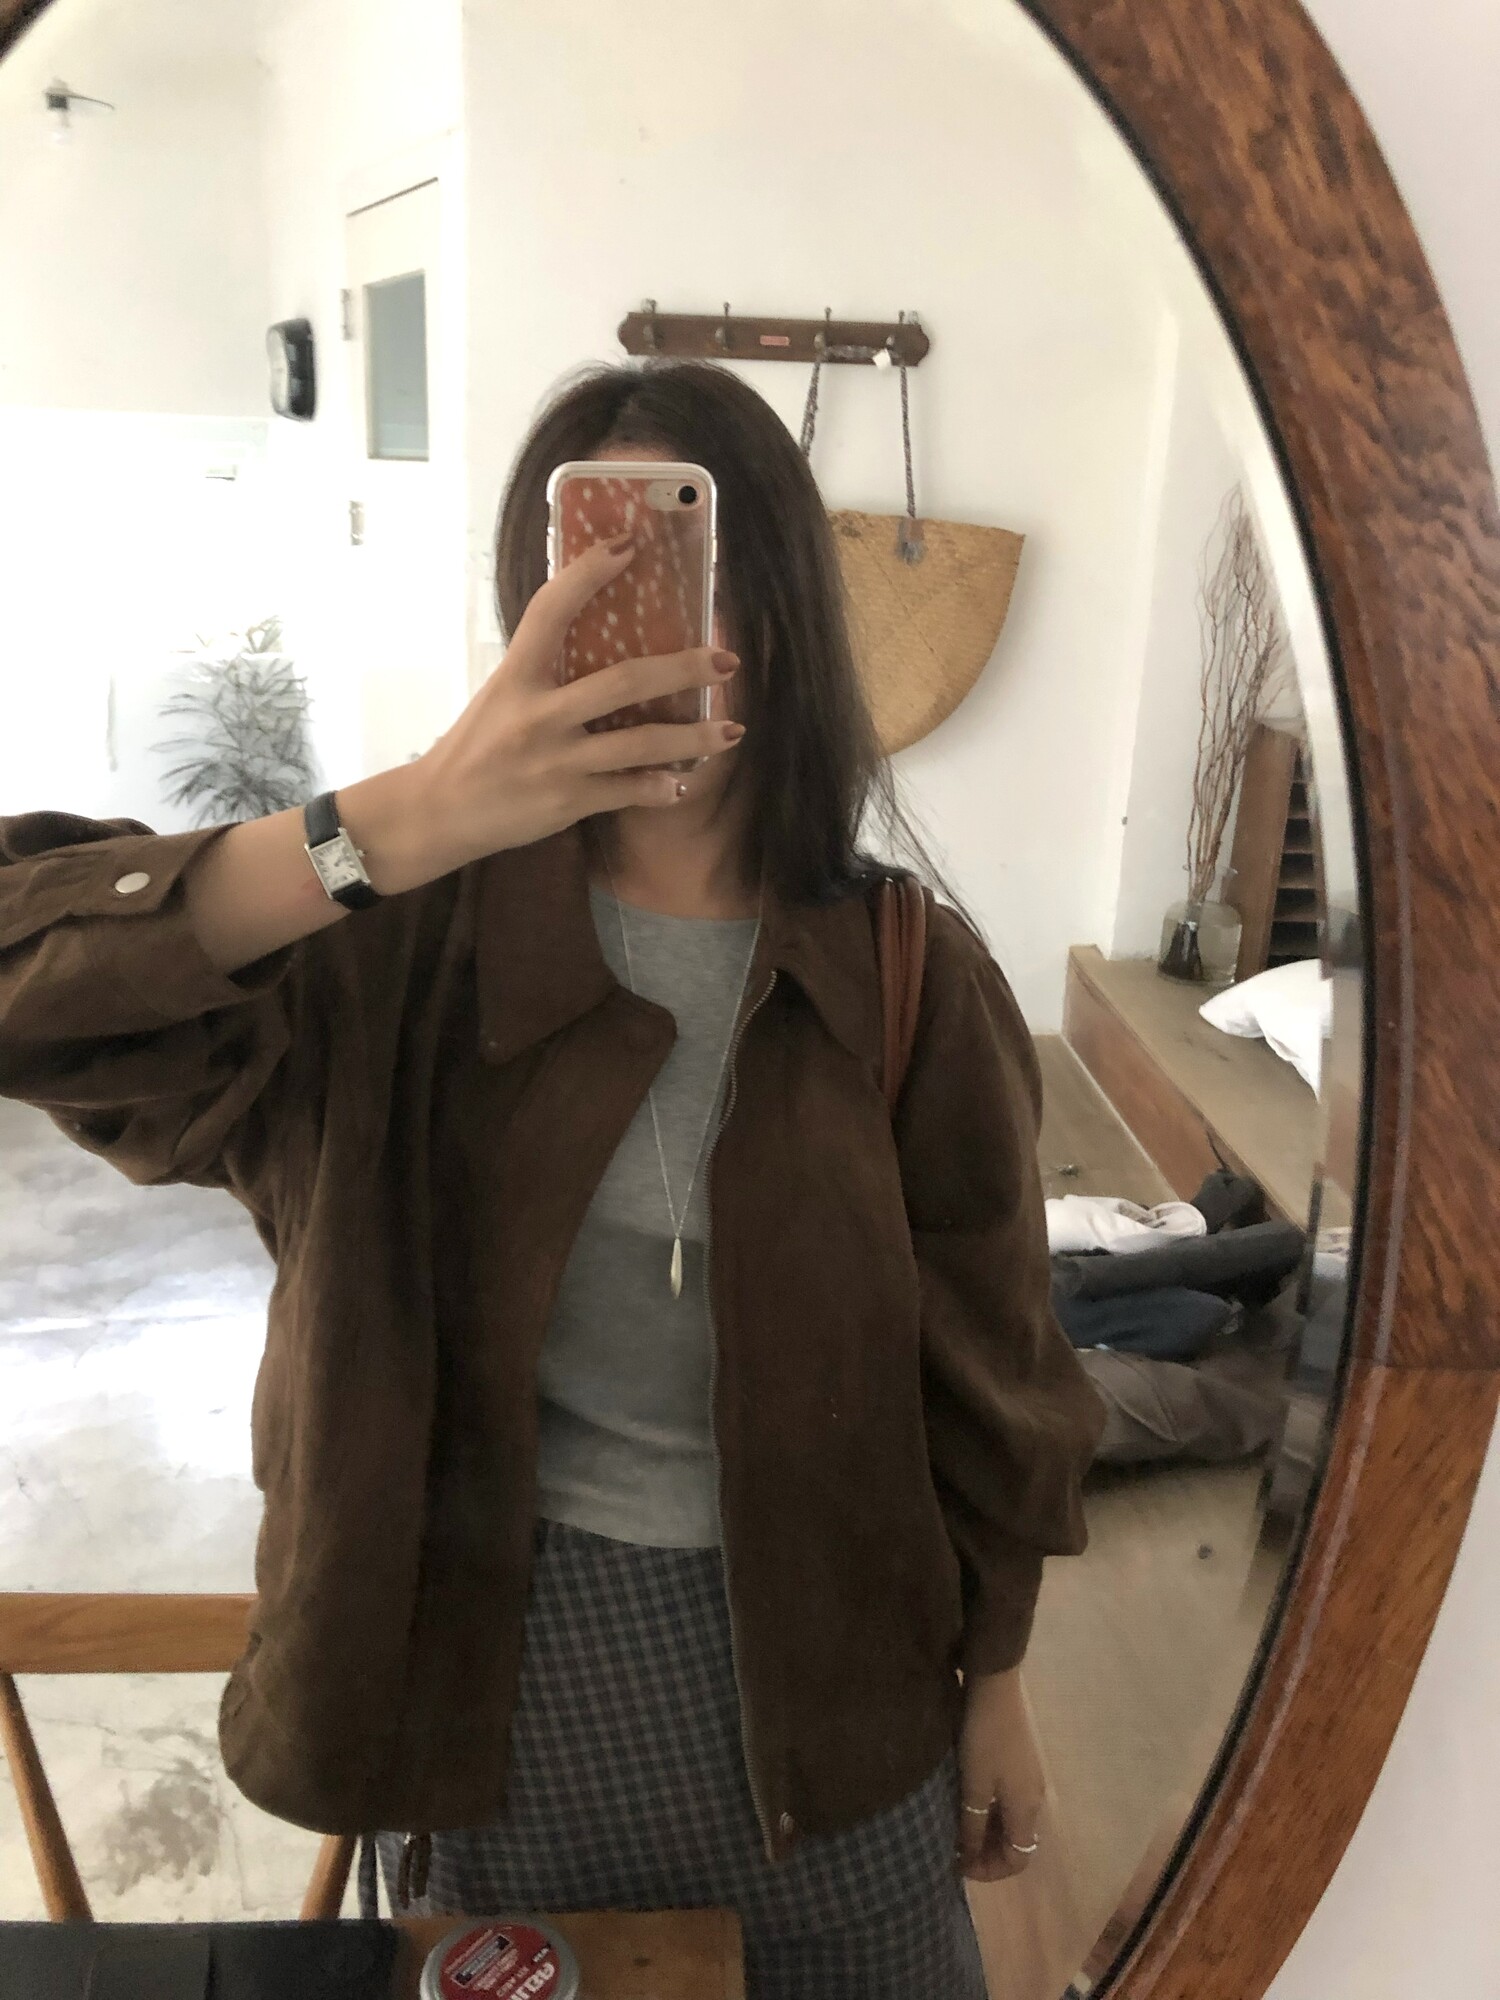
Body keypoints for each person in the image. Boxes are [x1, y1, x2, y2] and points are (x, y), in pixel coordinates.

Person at [0, 359, 1103, 1998]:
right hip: (497, 1711)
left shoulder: (904, 973)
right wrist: (398, 821)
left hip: (848, 1710)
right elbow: (32, 985)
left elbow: (996, 1375)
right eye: (598, 578)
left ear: (786, 609)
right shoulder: (392, 956)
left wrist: (996, 1681)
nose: (666, 636)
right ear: (530, 615)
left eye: (700, 568)